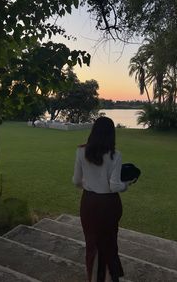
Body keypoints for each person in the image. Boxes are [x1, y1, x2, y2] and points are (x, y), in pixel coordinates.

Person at [72, 116, 134, 282]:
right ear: (111, 134)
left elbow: (76, 181)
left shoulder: (80, 151)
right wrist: (126, 184)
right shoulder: (116, 156)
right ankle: (109, 277)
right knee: (109, 241)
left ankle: (91, 277)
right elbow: (115, 186)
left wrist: (90, 184)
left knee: (91, 242)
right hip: (109, 204)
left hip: (89, 203)